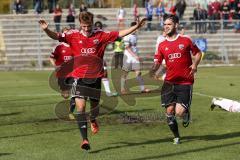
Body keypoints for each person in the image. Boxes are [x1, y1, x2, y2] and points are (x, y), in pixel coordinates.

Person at [39, 11, 146, 150]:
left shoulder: (100, 35)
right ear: (80, 24)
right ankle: (85, 140)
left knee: (94, 110)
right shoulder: (72, 35)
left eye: (88, 26)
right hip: (79, 77)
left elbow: (120, 33)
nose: (86, 29)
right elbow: (56, 36)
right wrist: (46, 29)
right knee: (81, 107)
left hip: (95, 78)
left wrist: (136, 26)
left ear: (92, 23)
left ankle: (93, 119)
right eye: (84, 26)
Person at [150, 14, 202, 144]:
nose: (166, 27)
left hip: (185, 82)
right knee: (169, 111)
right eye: (165, 24)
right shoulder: (161, 45)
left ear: (176, 25)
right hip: (169, 82)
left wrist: (195, 65)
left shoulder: (186, 40)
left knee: (179, 112)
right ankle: (176, 136)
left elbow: (198, 53)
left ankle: (185, 114)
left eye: (169, 24)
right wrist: (153, 70)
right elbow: (157, 61)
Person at [49, 27, 75, 120]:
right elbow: (51, 58)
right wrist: (55, 66)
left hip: (73, 73)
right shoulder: (58, 47)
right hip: (62, 74)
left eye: (69, 32)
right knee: (66, 95)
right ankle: (65, 93)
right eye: (66, 33)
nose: (68, 34)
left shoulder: (74, 45)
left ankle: (71, 112)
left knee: (75, 93)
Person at [121, 21, 150, 95]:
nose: (137, 29)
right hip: (128, 57)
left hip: (134, 57)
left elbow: (133, 47)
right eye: (137, 28)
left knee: (138, 72)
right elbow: (127, 47)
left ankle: (142, 88)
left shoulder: (135, 36)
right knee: (125, 73)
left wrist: (136, 55)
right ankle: (122, 88)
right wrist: (135, 55)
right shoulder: (127, 36)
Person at [94, 21, 118, 97]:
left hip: (100, 58)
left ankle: (108, 92)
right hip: (92, 59)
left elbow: (112, 38)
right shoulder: (93, 35)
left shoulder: (102, 35)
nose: (98, 28)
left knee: (105, 74)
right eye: (97, 27)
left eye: (99, 27)